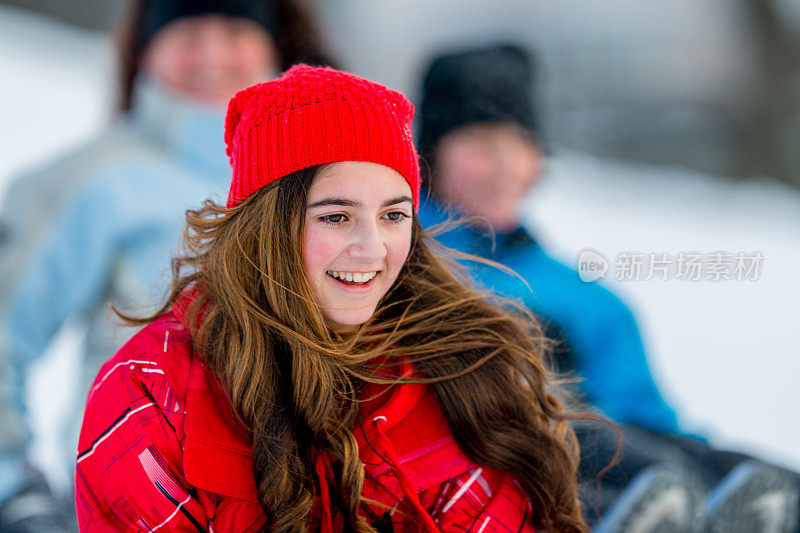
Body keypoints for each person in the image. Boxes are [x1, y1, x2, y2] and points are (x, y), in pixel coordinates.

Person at [75, 64, 591, 532]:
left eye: (393, 216)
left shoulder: (450, 371)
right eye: (336, 217)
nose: (372, 249)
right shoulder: (156, 390)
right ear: (267, 229)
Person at [415, 44, 799, 532]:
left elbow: (646, 416)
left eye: (520, 145)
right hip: (492, 456)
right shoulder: (404, 262)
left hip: (613, 444)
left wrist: (712, 470)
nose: (503, 165)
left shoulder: (583, 294)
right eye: (480, 145)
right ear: (430, 156)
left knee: (735, 475)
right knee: (607, 459)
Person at [0, 1, 332, 530]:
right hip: (135, 507)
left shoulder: (328, 176)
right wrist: (14, 490)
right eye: (187, 33)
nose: (211, 54)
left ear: (276, 44)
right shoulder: (101, 178)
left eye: (234, 29)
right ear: (145, 51)